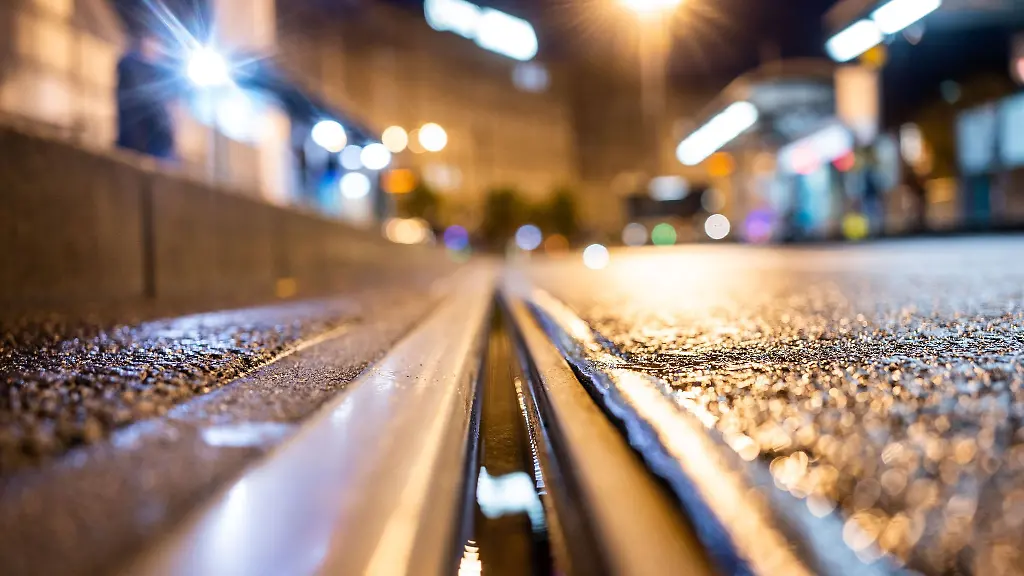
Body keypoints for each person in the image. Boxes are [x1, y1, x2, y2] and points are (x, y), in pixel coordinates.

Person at [116, 34, 175, 159]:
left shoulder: (161, 73)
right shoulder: (130, 66)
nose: (157, 49)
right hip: (134, 137)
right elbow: (135, 102)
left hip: (156, 143)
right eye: (154, 43)